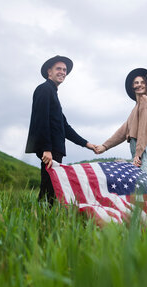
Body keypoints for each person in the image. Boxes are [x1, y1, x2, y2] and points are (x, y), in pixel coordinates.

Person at [25, 55, 96, 203]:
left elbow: (64, 126)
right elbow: (41, 119)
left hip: (54, 149)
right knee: (48, 189)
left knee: (51, 188)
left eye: (64, 70)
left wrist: (87, 144)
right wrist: (46, 149)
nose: (63, 72)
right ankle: (42, 221)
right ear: (49, 71)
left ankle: (44, 219)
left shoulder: (52, 93)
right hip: (49, 150)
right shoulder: (44, 89)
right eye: (59, 68)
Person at [94, 68, 147, 178]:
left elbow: (145, 130)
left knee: (145, 187)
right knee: (141, 188)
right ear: (132, 86)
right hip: (139, 150)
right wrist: (104, 146)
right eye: (136, 82)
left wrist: (138, 154)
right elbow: (123, 131)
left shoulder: (145, 100)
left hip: (145, 150)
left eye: (142, 82)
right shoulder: (136, 108)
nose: (139, 85)